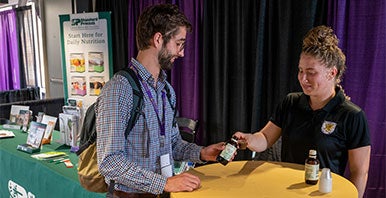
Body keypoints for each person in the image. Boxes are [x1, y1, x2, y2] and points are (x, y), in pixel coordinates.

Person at [95, 4, 226, 198]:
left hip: (162, 193)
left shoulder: (166, 91)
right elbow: (109, 162)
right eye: (179, 43)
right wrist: (163, 182)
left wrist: (202, 153)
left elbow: (172, 143)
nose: (181, 53)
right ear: (158, 39)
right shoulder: (119, 89)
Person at [233, 25, 371, 198]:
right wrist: (249, 139)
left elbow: (359, 172)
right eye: (300, 70)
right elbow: (266, 138)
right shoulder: (291, 102)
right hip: (285, 191)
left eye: (311, 73)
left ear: (331, 73)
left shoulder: (353, 116)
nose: (303, 78)